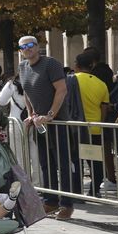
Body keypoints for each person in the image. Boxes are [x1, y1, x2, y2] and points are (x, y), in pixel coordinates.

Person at [18, 35, 74, 218]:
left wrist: (50, 115)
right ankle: (50, 200)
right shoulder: (23, 67)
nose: (28, 48)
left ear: (38, 46)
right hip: (39, 123)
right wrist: (30, 114)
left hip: (58, 122)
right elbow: (27, 92)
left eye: (31, 44)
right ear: (20, 50)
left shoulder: (51, 64)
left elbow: (61, 89)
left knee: (62, 163)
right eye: (24, 46)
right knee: (45, 163)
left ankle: (67, 203)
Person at [74, 51, 110, 197]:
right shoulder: (101, 84)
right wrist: (99, 122)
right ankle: (95, 190)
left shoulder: (70, 80)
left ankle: (76, 191)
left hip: (74, 127)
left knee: (76, 161)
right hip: (95, 127)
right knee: (95, 161)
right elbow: (104, 108)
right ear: (92, 65)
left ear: (76, 65)